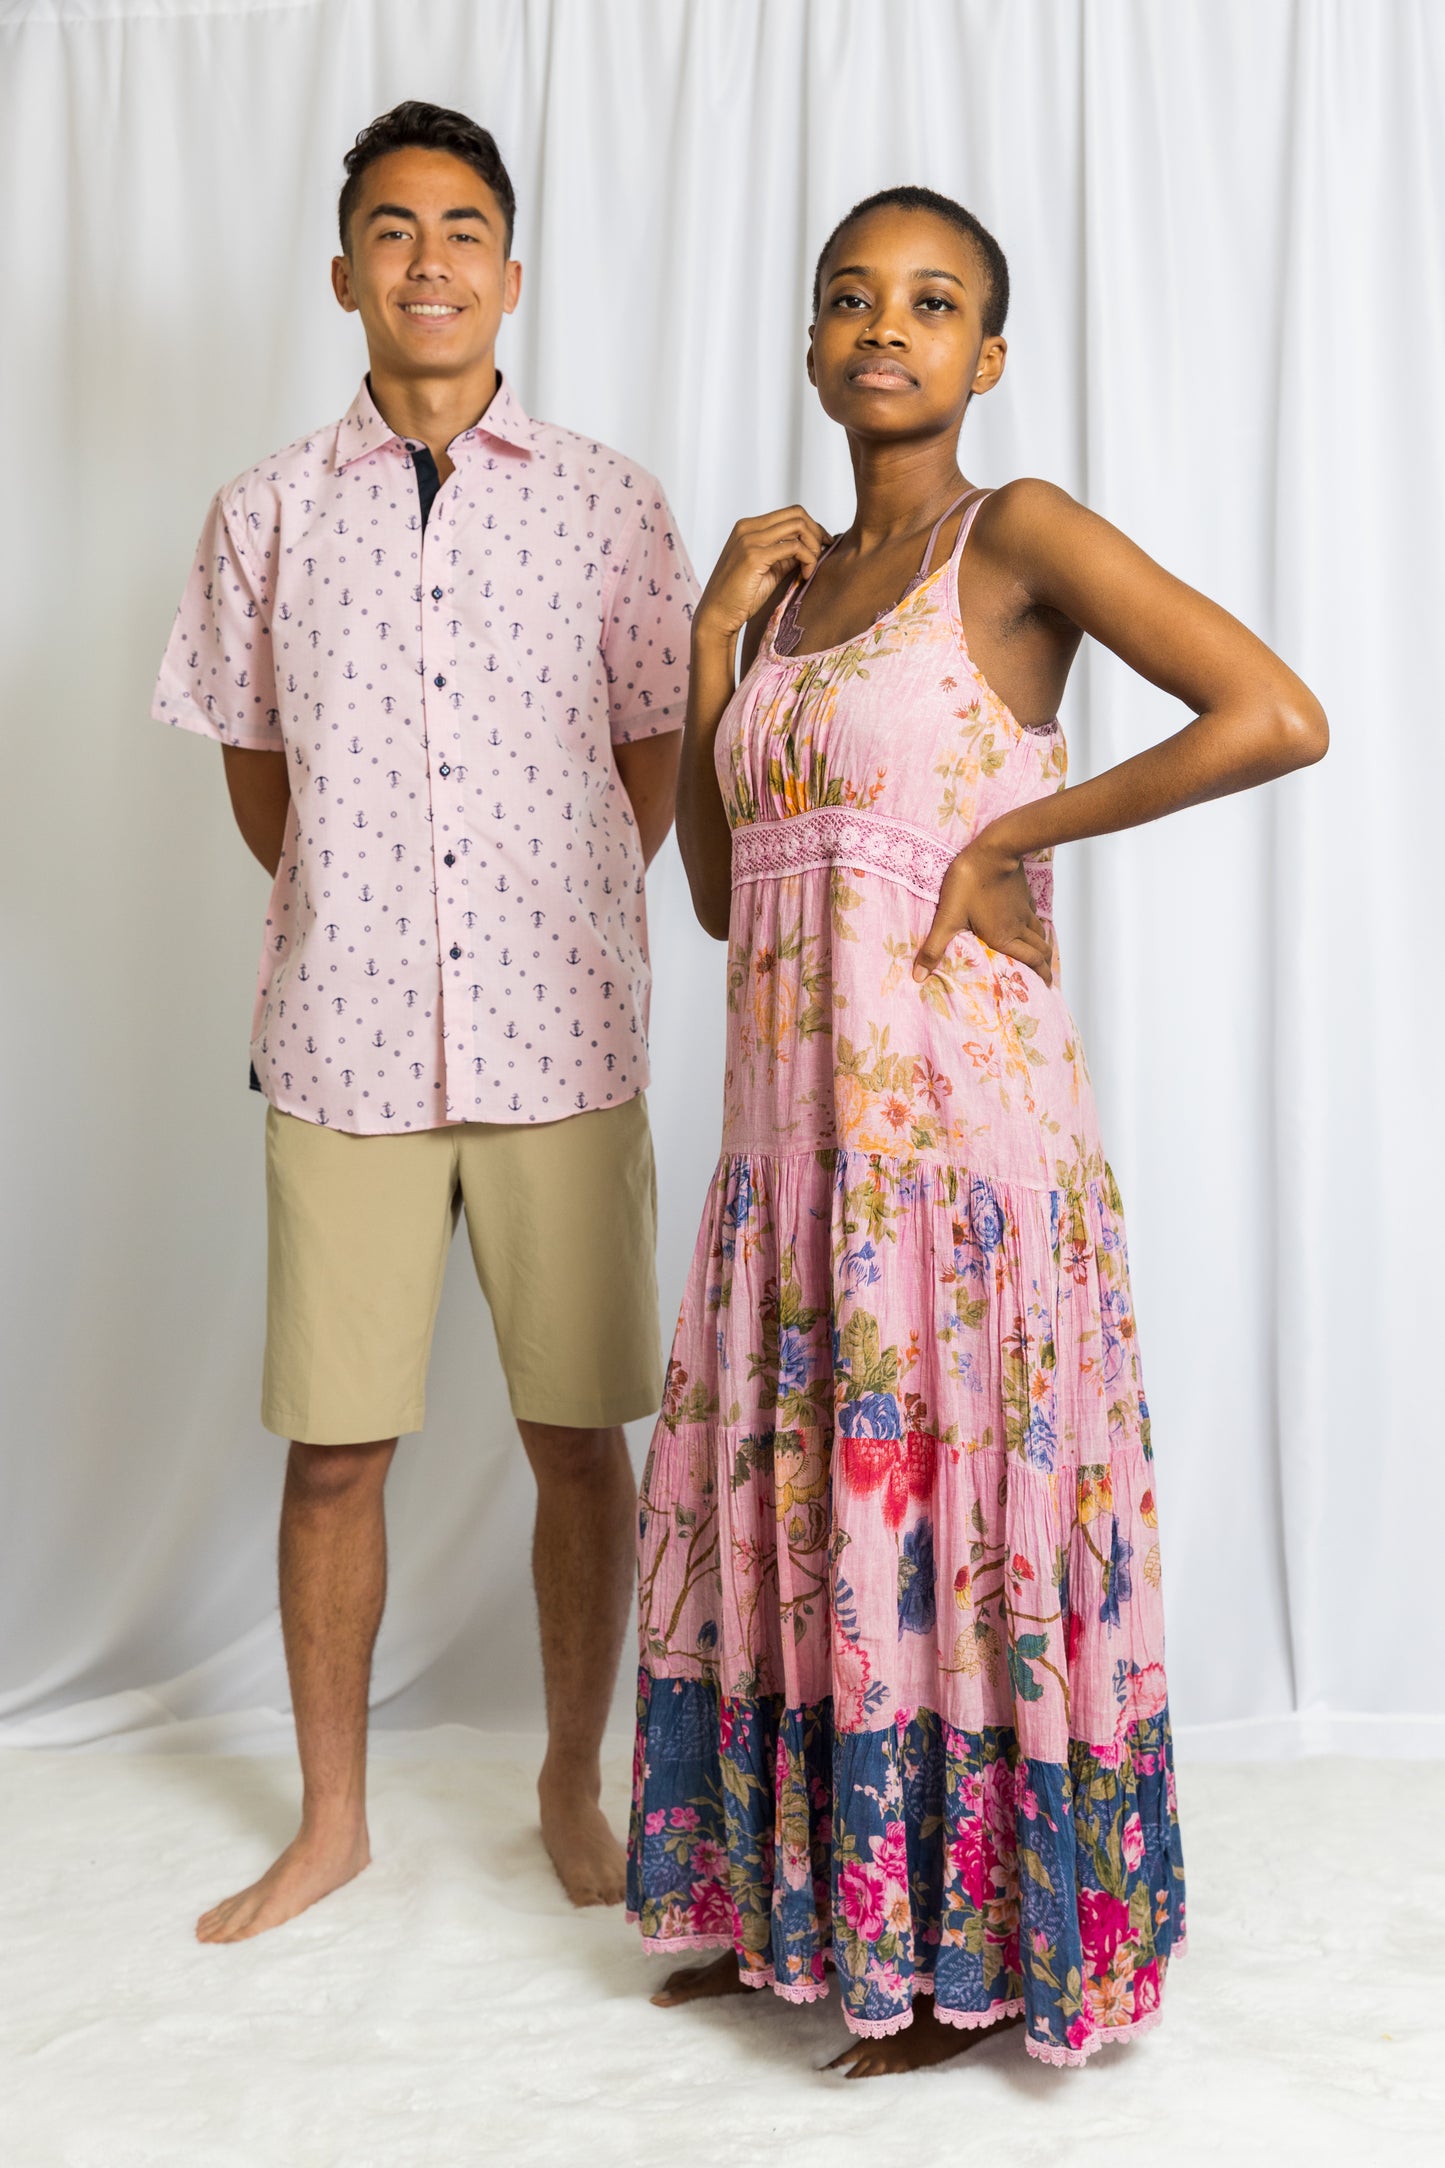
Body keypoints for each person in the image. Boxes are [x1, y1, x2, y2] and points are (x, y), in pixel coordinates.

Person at [628, 184, 1326, 2075]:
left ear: (986, 355)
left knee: (948, 1540)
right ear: (808, 346)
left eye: (931, 302)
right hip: (793, 1167)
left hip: (951, 1158)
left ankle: (973, 1950)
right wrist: (709, 645)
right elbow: (722, 894)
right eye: (851, 297)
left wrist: (1018, 830)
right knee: (812, 1523)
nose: (886, 325)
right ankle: (814, 1909)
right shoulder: (782, 594)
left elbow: (1273, 713)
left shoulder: (1009, 536)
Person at [153, 101, 696, 1941]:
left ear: (511, 274)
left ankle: (569, 1787)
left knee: (579, 1440)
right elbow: (261, 781)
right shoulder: (263, 513)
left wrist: (540, 918)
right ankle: (332, 1823)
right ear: (344, 274)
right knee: (333, 1451)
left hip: (565, 1044)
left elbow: (647, 765)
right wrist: (377, 917)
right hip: (343, 1044)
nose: (430, 260)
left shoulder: (613, 503)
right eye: (393, 229)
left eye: (463, 228)